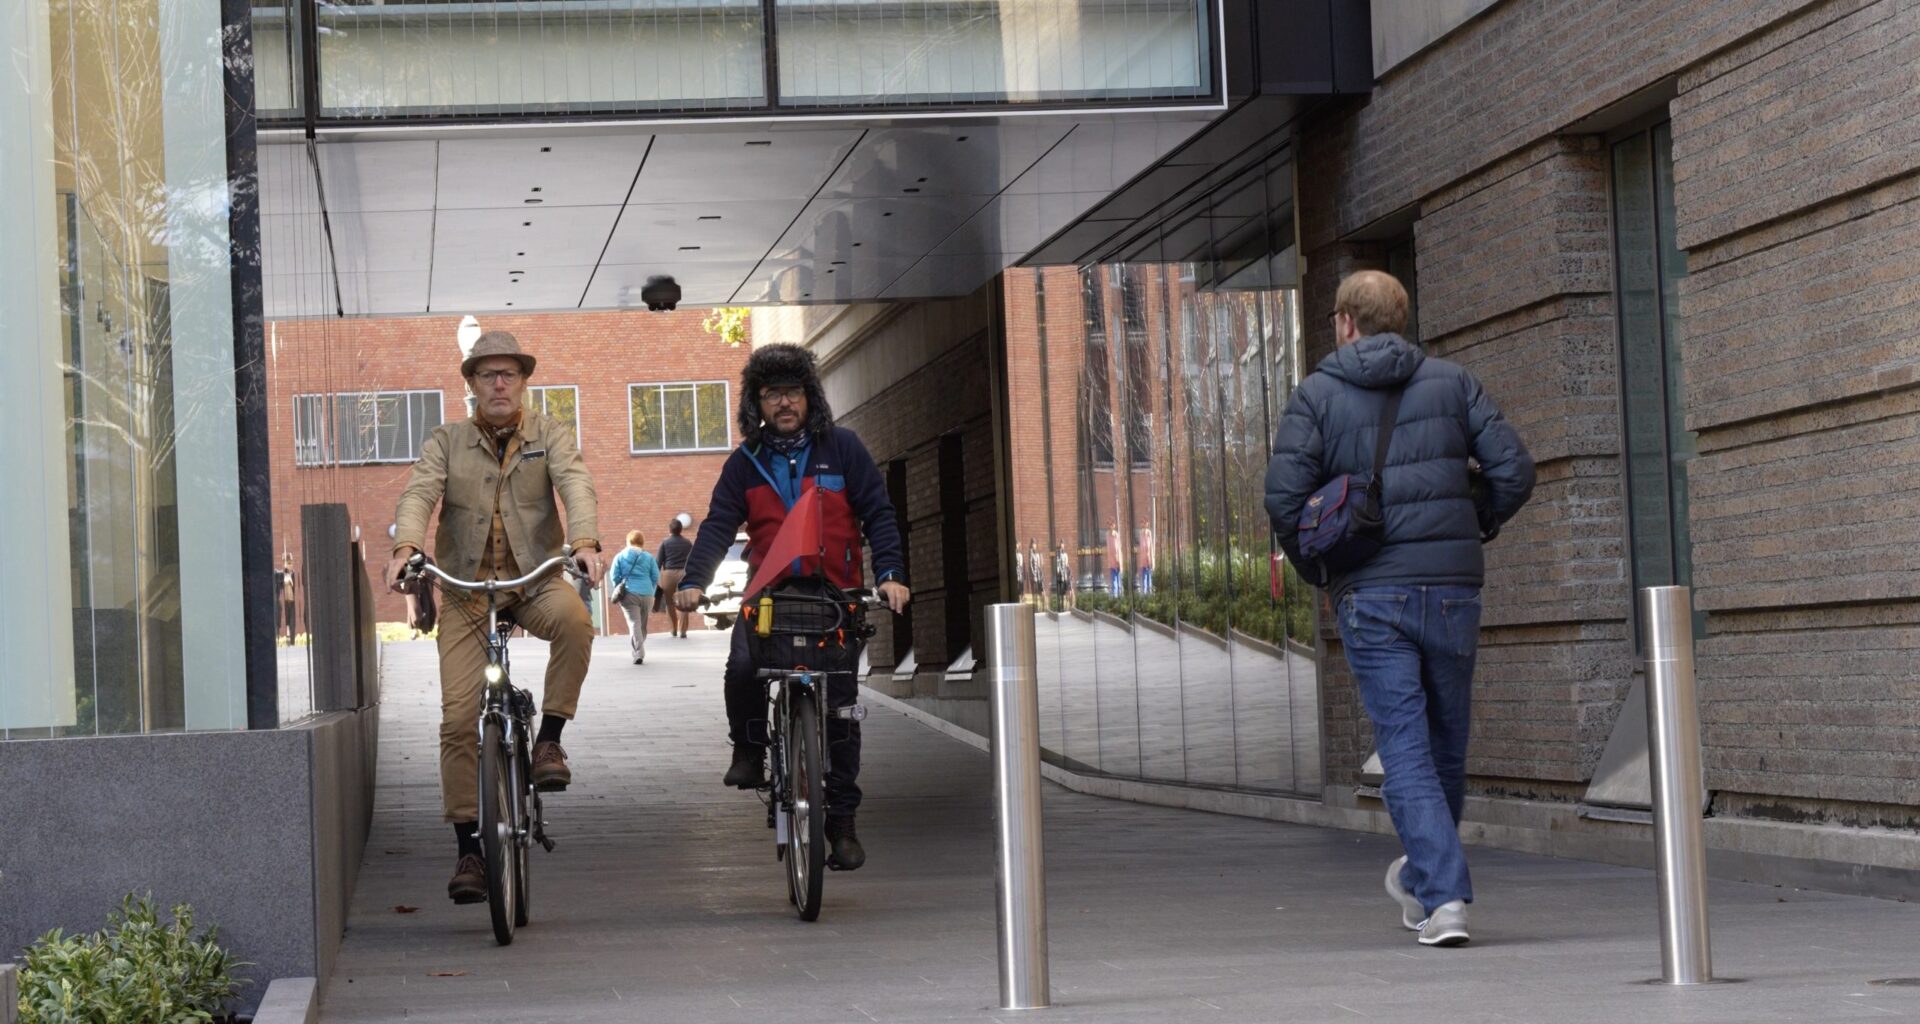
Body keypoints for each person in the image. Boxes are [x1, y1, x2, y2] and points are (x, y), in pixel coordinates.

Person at [1264, 270, 1533, 947]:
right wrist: (1476, 523)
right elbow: (1514, 471)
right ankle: (1422, 882)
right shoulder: (1454, 383)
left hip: (1372, 594)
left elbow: (1284, 502)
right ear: (1400, 320)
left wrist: (1324, 572)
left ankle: (1443, 897)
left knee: (1406, 749)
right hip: (1450, 590)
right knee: (1443, 746)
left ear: (1345, 323)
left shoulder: (1317, 395)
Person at [384, 330, 604, 906]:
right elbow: (419, 493)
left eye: (509, 374)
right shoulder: (446, 440)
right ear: (472, 385)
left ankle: (549, 741)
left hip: (531, 581)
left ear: (524, 382)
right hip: (463, 591)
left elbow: (576, 483)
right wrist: (407, 548)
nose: (500, 384)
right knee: (459, 721)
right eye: (488, 375)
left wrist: (583, 541)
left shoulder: (550, 434)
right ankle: (469, 850)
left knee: (577, 622)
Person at [674, 343, 909, 872]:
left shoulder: (843, 449)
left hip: (836, 596)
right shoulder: (745, 463)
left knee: (842, 713)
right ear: (756, 402)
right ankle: (750, 749)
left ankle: (843, 822)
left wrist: (891, 575)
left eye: (793, 391)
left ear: (810, 396)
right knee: (741, 666)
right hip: (770, 596)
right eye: (772, 393)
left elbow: (879, 514)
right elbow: (717, 525)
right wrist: (694, 580)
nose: (784, 402)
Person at [610, 529, 661, 664]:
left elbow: (614, 576)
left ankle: (638, 652)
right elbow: (656, 576)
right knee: (642, 624)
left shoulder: (620, 556)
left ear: (628, 541)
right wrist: (651, 591)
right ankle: (639, 647)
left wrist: (618, 587)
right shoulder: (649, 557)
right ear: (642, 542)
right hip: (647, 594)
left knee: (634, 624)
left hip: (629, 593)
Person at [656, 514, 694, 637]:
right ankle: (683, 630)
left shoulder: (665, 543)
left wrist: (655, 578)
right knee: (684, 602)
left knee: (669, 603)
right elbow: (693, 559)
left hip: (668, 575)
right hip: (684, 574)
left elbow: (658, 562)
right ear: (681, 529)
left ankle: (673, 629)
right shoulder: (687, 543)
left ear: (670, 530)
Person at [277, 552, 297, 644]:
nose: (290, 565)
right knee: (286, 620)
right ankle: (287, 639)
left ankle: (292, 640)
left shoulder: (292, 575)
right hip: (285, 601)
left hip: (291, 601)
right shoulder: (282, 575)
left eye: (290, 563)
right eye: (288, 563)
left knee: (292, 621)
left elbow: (293, 584)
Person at [1106, 523, 1125, 597]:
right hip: (1111, 562)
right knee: (1114, 580)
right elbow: (1109, 549)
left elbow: (1117, 549)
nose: (1110, 526)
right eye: (1109, 524)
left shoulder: (1116, 535)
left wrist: (1119, 561)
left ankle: (1118, 596)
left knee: (1118, 580)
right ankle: (1115, 597)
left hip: (1117, 561)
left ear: (1114, 525)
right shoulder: (1107, 535)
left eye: (1112, 524)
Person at [1053, 541, 1072, 612]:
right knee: (1060, 591)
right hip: (1060, 575)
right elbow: (1058, 564)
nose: (1062, 546)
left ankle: (1066, 605)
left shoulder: (1065, 555)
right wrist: (1058, 571)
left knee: (1066, 589)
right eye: (1061, 545)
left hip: (1065, 574)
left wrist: (1068, 571)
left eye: (1063, 545)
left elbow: (1067, 564)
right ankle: (1061, 606)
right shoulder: (1058, 554)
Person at [1136, 525, 1155, 595]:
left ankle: (1149, 594)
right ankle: (1144, 595)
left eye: (1145, 523)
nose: (1144, 524)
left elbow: (1151, 548)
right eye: (1142, 523)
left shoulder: (1149, 533)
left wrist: (1152, 560)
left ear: (1147, 524)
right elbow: (1141, 548)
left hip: (1148, 560)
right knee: (1144, 578)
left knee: (1149, 578)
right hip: (1143, 560)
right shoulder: (1141, 534)